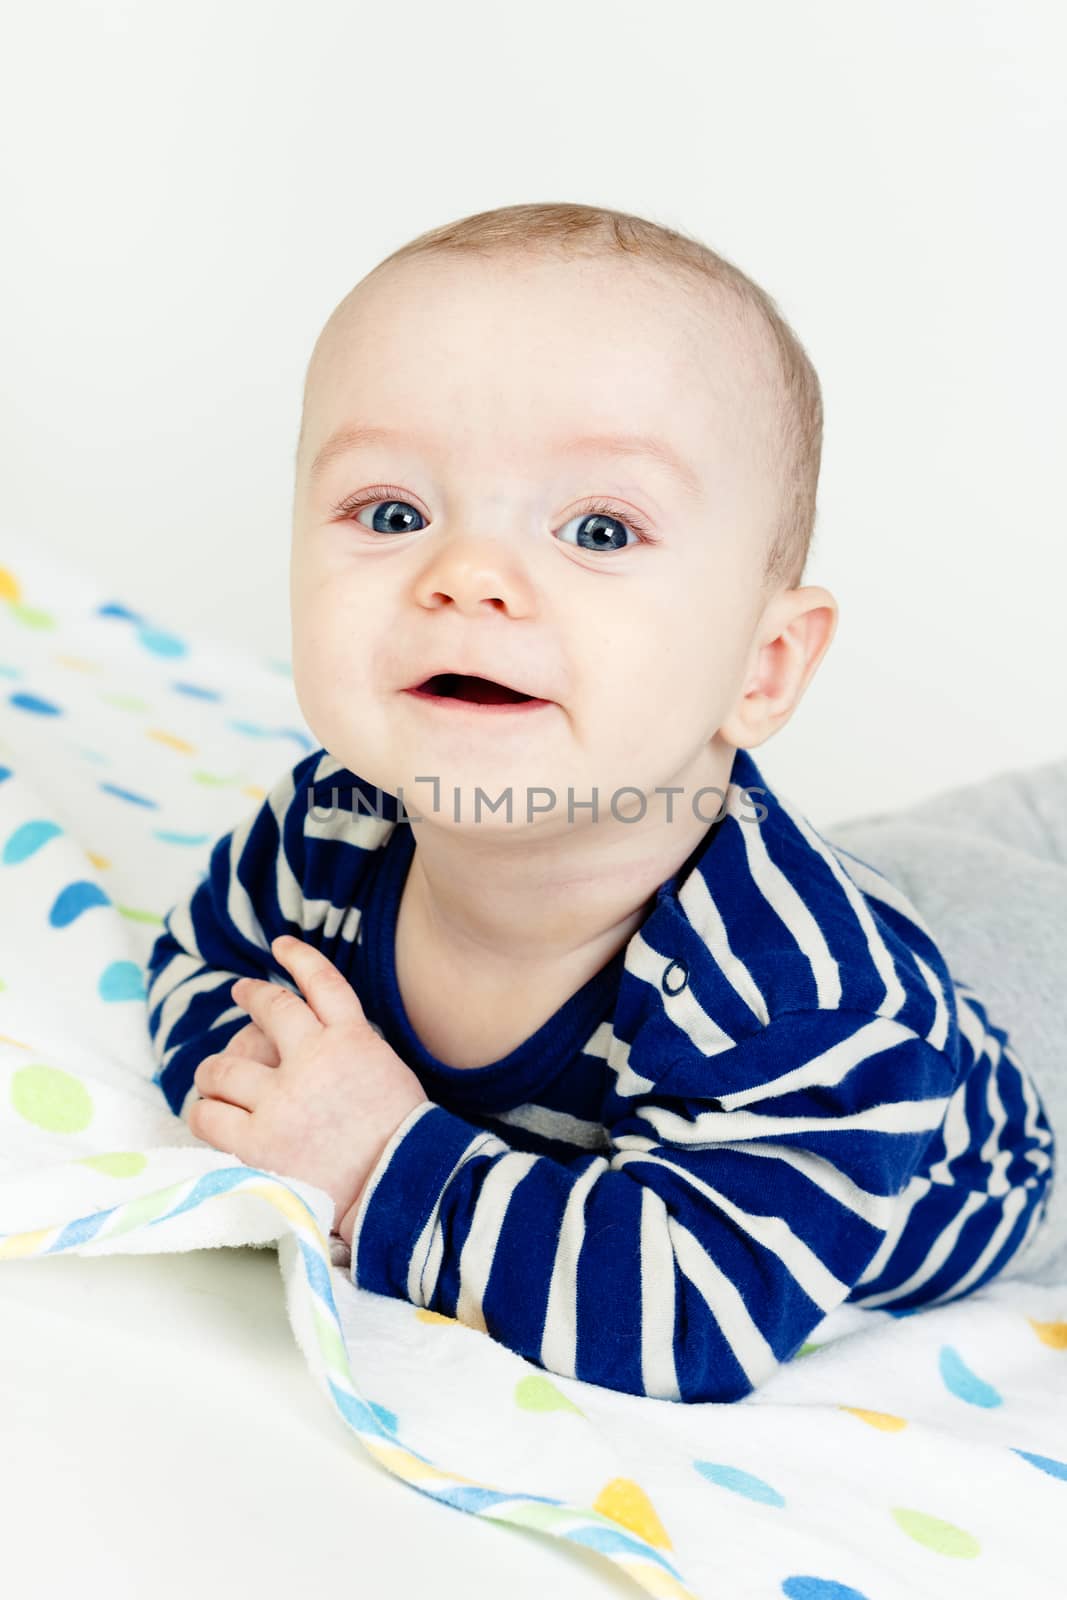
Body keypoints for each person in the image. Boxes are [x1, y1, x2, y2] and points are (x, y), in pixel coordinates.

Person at [143, 202, 1057, 1404]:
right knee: (922, 860)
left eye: (597, 528)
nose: (463, 576)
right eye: (393, 514)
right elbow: (198, 968)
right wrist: (270, 1090)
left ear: (760, 667)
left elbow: (688, 1316)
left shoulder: (806, 1005)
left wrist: (375, 1159)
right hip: (858, 897)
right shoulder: (335, 822)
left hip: (1015, 1059)